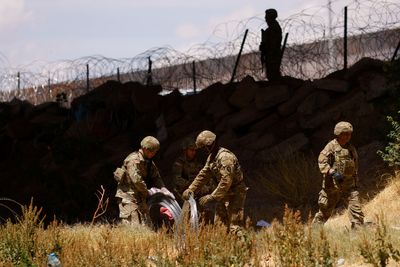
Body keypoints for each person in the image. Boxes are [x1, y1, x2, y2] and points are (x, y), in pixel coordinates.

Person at [182, 130, 248, 234]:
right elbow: (203, 175)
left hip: (235, 194)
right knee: (220, 226)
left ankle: (245, 248)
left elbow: (226, 181)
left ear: (210, 144)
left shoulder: (225, 157)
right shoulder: (212, 157)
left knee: (234, 227)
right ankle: (225, 249)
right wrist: (191, 189)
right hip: (223, 194)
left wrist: (212, 197)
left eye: (204, 147)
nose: (204, 150)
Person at [312, 122, 364, 229]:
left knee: (356, 209)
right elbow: (321, 161)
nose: (348, 136)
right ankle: (315, 231)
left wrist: (355, 180)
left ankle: (358, 232)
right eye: (345, 134)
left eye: (349, 134)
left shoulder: (351, 148)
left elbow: (354, 166)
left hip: (349, 185)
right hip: (332, 186)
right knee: (325, 212)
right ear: (338, 134)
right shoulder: (331, 146)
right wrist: (332, 172)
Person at [114, 136, 173, 226]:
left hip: (140, 198)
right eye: (151, 151)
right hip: (129, 198)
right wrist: (148, 192)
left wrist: (163, 189)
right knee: (133, 227)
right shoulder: (133, 161)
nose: (153, 154)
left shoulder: (148, 162)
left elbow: (156, 177)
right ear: (145, 149)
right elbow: (137, 180)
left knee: (146, 226)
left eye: (154, 152)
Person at [171, 137, 208, 205]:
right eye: (191, 150)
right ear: (185, 150)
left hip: (194, 191)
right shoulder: (179, 163)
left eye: (195, 150)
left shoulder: (196, 162)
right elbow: (177, 180)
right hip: (182, 192)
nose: (193, 152)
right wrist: (193, 185)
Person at [259, 8, 282, 82]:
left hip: (272, 56)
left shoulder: (273, 29)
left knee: (273, 76)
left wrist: (264, 47)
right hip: (271, 56)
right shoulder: (271, 29)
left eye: (267, 16)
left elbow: (273, 45)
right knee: (271, 75)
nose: (265, 18)